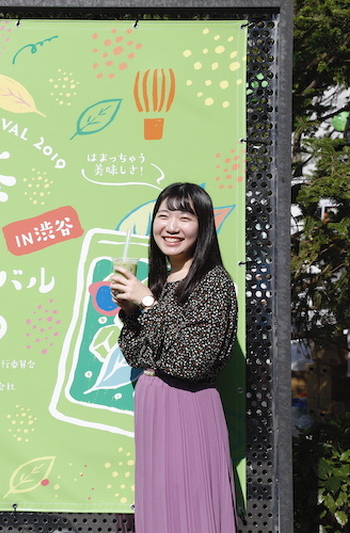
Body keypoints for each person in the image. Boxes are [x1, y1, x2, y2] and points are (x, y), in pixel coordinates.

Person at [111, 182, 238, 533]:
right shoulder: (161, 281)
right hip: (153, 403)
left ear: (203, 226)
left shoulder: (213, 282)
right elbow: (136, 355)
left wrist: (148, 304)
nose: (171, 227)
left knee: (190, 507)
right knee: (160, 507)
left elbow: (194, 360)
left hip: (188, 404)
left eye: (185, 218)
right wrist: (131, 312)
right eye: (163, 216)